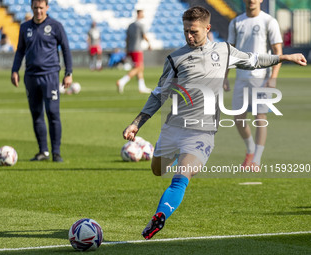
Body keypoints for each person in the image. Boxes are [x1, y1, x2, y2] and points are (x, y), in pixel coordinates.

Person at [122, 6, 306, 240]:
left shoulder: (224, 51)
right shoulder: (175, 58)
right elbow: (159, 94)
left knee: (181, 179)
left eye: (194, 31)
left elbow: (254, 60)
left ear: (208, 29)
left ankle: (159, 217)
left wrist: (284, 57)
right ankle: (176, 158)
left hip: (202, 132)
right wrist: (136, 123)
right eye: (186, 31)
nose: (189, 36)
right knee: (158, 171)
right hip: (173, 128)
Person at [11, 0, 73, 162]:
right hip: (31, 77)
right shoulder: (25, 27)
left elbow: (66, 48)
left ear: (47, 8)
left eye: (41, 8)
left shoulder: (55, 26)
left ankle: (56, 152)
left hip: (50, 76)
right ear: (32, 8)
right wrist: (15, 70)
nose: (38, 11)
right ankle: (43, 152)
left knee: (53, 113)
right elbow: (20, 51)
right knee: (36, 114)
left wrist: (68, 73)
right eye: (36, 8)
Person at [224, 0, 283, 168]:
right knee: (238, 118)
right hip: (241, 77)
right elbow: (230, 52)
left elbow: (278, 53)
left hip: (262, 78)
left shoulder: (269, 21)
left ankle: (256, 159)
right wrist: (225, 77)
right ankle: (250, 148)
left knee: (260, 118)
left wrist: (273, 77)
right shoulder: (236, 22)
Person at [116, 9, 152, 94]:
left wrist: (127, 49)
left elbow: (127, 38)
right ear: (139, 14)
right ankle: (122, 81)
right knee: (138, 68)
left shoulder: (130, 25)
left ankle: (141, 87)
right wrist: (149, 43)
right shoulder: (140, 25)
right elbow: (144, 35)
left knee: (140, 68)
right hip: (137, 49)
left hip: (130, 49)